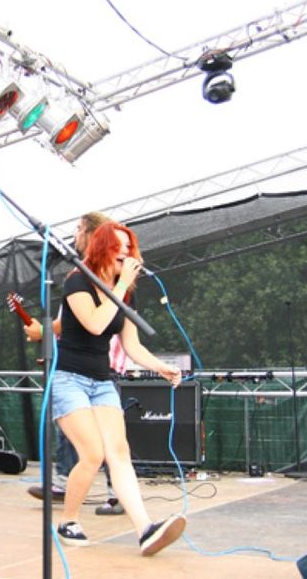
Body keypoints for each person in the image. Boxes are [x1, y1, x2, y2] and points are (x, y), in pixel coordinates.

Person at [51, 220, 186, 555]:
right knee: (92, 453)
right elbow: (95, 324)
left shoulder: (125, 292)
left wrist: (160, 366)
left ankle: (145, 530)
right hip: (69, 379)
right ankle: (68, 520)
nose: (127, 253)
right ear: (103, 249)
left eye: (130, 248)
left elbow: (131, 345)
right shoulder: (78, 281)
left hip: (102, 381)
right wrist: (121, 284)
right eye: (120, 247)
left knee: (119, 454)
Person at [24, 211, 126, 515]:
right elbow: (68, 322)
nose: (74, 235)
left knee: (110, 441)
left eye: (79, 228)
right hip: (75, 367)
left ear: (93, 234)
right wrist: (45, 333)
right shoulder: (79, 277)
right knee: (78, 434)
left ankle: (115, 493)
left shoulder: (106, 276)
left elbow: (95, 322)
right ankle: (66, 486)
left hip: (103, 365)